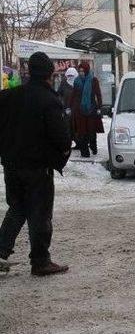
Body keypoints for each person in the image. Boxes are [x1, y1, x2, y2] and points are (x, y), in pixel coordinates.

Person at [0, 52, 71, 275]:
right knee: (39, 213)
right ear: (50, 73)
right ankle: (40, 261)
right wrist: (64, 149)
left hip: (12, 164)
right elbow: (60, 137)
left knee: (18, 207)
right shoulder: (49, 100)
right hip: (38, 167)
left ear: (29, 72)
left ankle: (1, 250)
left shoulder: (10, 96)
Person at [71, 62, 104, 158]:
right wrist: (69, 106)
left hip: (91, 108)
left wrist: (99, 106)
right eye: (79, 71)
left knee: (91, 131)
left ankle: (93, 146)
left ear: (86, 71)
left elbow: (98, 94)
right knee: (82, 132)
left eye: (82, 71)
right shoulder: (77, 81)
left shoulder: (93, 80)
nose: (81, 73)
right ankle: (84, 152)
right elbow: (73, 95)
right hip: (80, 109)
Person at [57, 67, 79, 150]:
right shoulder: (64, 83)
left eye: (72, 75)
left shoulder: (78, 82)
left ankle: (79, 143)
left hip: (77, 109)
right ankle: (68, 144)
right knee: (68, 127)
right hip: (66, 109)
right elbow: (59, 93)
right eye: (68, 75)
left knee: (76, 128)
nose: (70, 77)